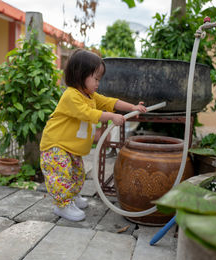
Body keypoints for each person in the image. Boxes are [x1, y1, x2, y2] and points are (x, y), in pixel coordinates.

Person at [40, 49, 147, 221]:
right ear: (80, 75)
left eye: (99, 79)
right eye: (95, 78)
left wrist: (132, 107)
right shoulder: (71, 96)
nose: (98, 83)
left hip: (71, 147)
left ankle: (72, 197)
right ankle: (62, 205)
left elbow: (110, 102)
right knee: (61, 174)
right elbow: (87, 113)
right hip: (56, 145)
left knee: (77, 173)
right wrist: (112, 116)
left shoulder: (90, 96)